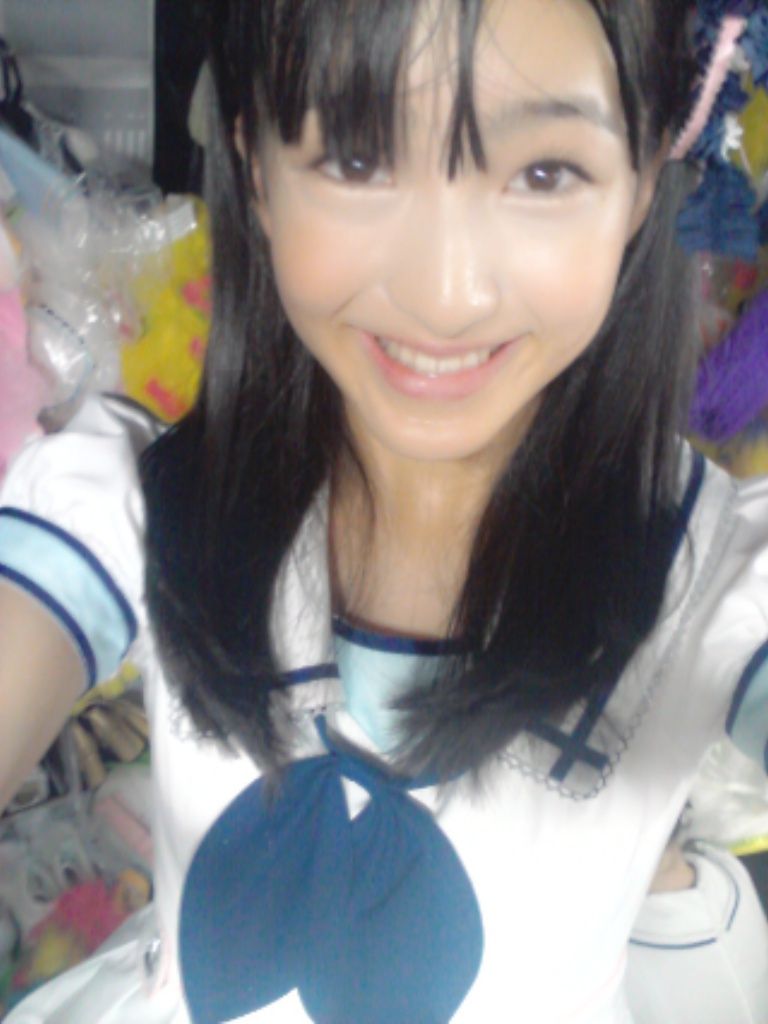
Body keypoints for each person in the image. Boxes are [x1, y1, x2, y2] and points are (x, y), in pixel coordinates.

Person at [0, 0, 766, 1020]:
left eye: (546, 173)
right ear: (256, 167)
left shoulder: (715, 572)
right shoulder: (133, 503)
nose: (444, 293)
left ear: (642, 183)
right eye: (358, 159)